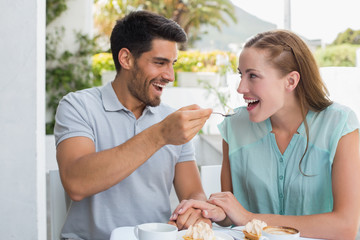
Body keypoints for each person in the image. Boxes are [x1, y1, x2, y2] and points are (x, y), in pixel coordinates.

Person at [171, 30, 360, 239]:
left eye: (252, 76)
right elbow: (234, 214)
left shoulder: (339, 125)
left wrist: (249, 218)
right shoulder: (234, 127)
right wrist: (216, 212)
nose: (241, 88)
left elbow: (346, 226)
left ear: (290, 81)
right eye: (240, 74)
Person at [54, 10, 212, 240]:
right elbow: (76, 182)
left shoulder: (170, 120)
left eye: (172, 64)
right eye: (160, 63)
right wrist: (161, 135)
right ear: (126, 59)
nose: (170, 76)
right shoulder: (78, 106)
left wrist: (197, 210)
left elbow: (192, 192)